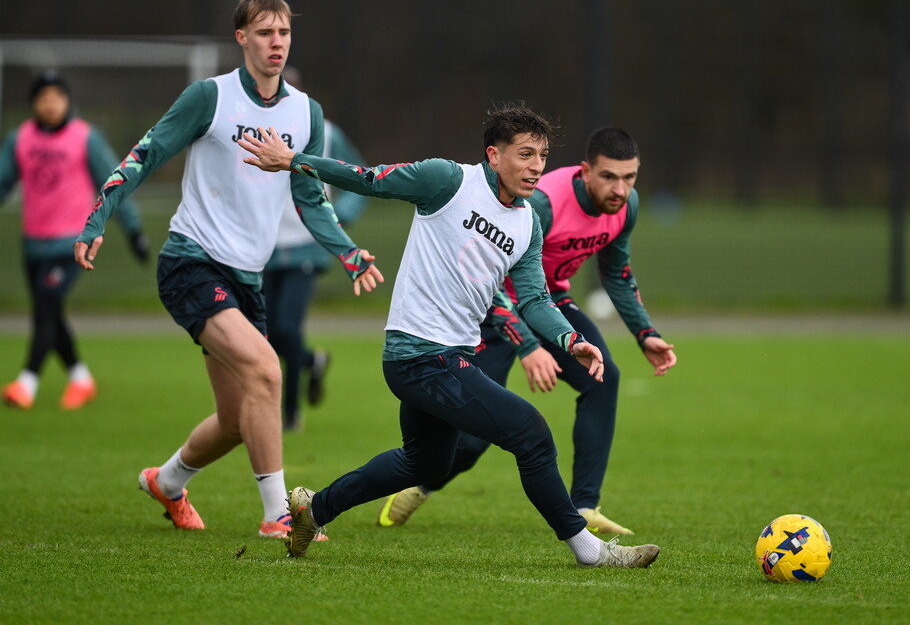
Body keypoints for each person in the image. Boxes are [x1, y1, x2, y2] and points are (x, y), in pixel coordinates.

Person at [239, 102, 660, 568]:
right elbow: (367, 177)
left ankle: (311, 509)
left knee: (423, 464)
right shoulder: (447, 180)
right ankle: (590, 551)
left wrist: (567, 340)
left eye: (541, 156)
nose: (535, 167)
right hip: (417, 354)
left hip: (452, 355)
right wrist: (293, 160)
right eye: (524, 154)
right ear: (493, 155)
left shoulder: (527, 224)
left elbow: (536, 300)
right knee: (531, 433)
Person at [73, 0, 383, 539]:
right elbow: (143, 156)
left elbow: (309, 198)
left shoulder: (305, 112)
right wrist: (100, 216)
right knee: (268, 370)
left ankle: (165, 483)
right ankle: (279, 516)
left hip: (248, 278)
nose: (277, 43)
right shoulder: (207, 98)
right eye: (265, 33)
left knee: (241, 418)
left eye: (284, 33)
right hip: (191, 262)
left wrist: (349, 253)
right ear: (242, 39)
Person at [375, 127, 677, 535]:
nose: (620, 189)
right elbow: (491, 277)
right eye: (609, 177)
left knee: (603, 380)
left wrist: (645, 334)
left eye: (630, 178)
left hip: (550, 305)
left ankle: (585, 505)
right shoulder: (543, 204)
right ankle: (424, 481)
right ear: (586, 171)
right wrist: (530, 346)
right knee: (472, 442)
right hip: (494, 312)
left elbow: (617, 274)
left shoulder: (626, 207)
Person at [0, 70, 148, 411]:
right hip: (33, 244)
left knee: (48, 301)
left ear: (67, 100)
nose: (51, 104)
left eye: (57, 97)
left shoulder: (85, 138)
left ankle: (27, 381)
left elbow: (115, 182)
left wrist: (134, 230)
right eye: (44, 98)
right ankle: (81, 379)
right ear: (34, 103)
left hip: (72, 243)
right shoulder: (20, 139)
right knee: (47, 311)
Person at [264, 118, 368, 431]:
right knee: (266, 334)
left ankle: (291, 412)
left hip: (307, 246)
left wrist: (339, 218)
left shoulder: (326, 130)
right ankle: (311, 361)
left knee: (288, 327)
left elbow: (358, 177)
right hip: (264, 248)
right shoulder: (251, 126)